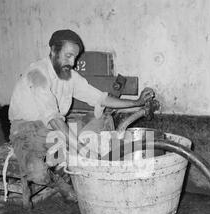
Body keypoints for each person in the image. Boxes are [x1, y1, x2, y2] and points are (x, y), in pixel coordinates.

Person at [8, 29, 154, 200]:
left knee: (100, 122)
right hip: (26, 132)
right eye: (68, 56)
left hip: (53, 132)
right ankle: (57, 180)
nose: (72, 62)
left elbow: (101, 98)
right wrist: (82, 149)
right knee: (37, 172)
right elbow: (53, 119)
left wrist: (137, 102)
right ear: (54, 50)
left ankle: (67, 168)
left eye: (75, 58)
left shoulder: (68, 76)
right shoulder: (38, 74)